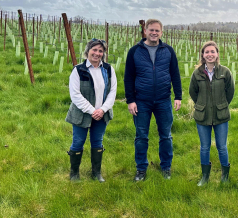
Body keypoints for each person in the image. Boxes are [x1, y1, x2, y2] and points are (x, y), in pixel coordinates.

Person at [124, 19, 182, 181]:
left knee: (166, 135)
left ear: (161, 33)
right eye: (151, 30)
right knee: (141, 136)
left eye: (157, 30)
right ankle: (141, 169)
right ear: (145, 31)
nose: (154, 33)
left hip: (163, 100)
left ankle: (166, 167)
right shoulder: (134, 51)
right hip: (141, 101)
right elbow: (128, 77)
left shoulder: (168, 51)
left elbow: (175, 75)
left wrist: (178, 96)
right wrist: (130, 100)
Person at [66, 39, 117, 182]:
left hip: (102, 113)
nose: (97, 53)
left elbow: (113, 92)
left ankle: (96, 173)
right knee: (78, 142)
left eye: (100, 51)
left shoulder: (108, 69)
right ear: (88, 51)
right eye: (94, 50)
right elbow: (75, 94)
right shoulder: (78, 70)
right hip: (82, 113)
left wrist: (102, 110)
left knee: (97, 141)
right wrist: (92, 110)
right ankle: (74, 174)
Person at [189, 41, 235, 186]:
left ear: (217, 54)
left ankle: (225, 176)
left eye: (212, 52)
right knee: (204, 147)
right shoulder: (197, 74)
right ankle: (205, 177)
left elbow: (230, 92)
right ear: (203, 55)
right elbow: (193, 92)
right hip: (202, 116)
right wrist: (202, 105)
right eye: (207, 52)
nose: (209, 55)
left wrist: (221, 105)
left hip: (221, 116)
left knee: (222, 146)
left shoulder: (225, 72)